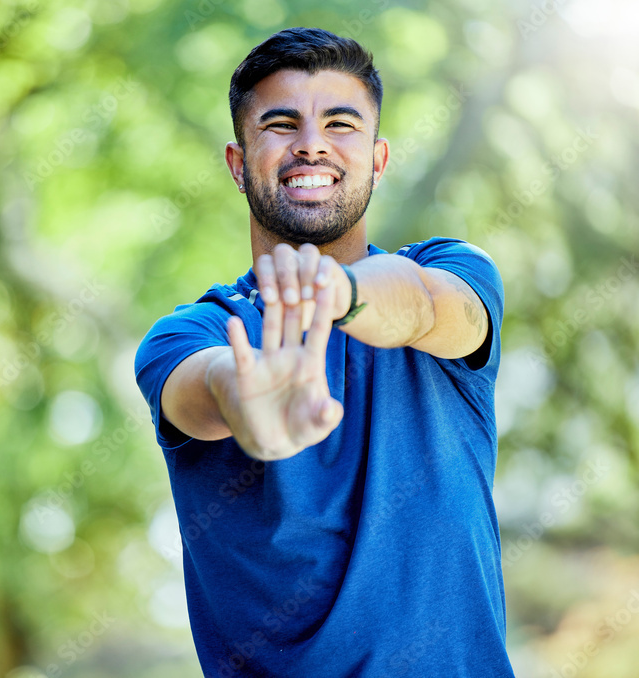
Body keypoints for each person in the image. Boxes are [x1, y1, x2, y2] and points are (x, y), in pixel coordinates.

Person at [134, 27, 516, 677]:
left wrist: (334, 292)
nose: (311, 142)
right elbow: (207, 387)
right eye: (281, 124)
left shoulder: (453, 271)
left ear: (378, 158)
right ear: (236, 162)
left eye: (341, 123)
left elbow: (425, 307)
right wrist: (245, 401)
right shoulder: (189, 335)